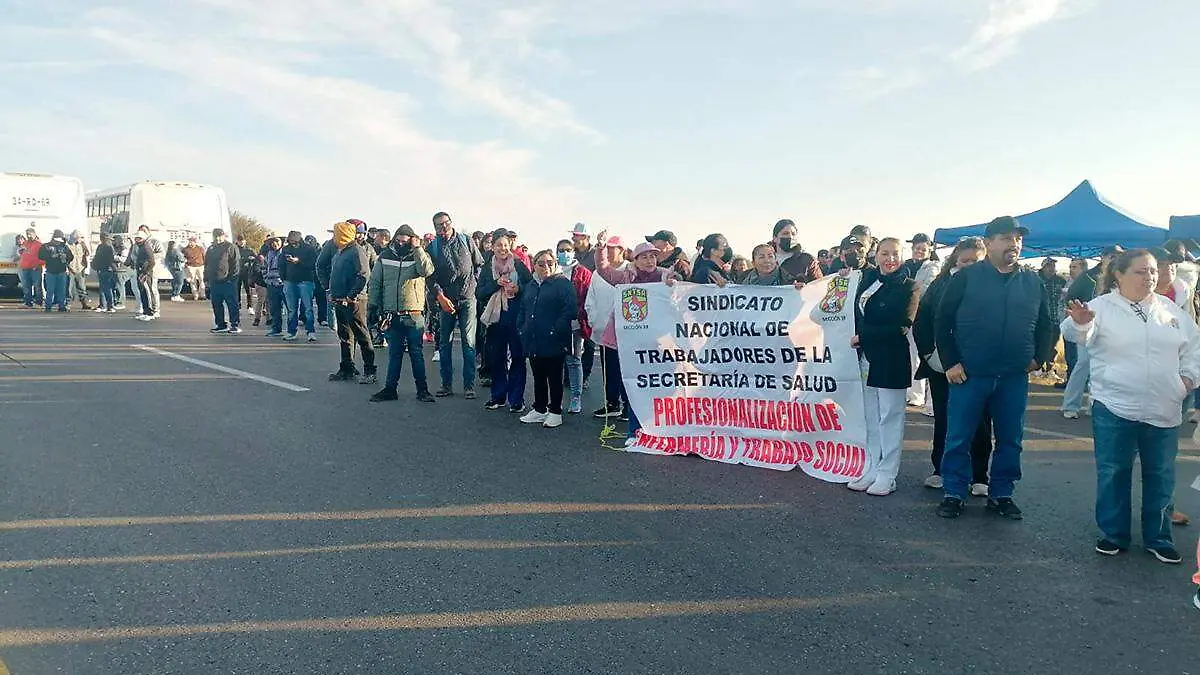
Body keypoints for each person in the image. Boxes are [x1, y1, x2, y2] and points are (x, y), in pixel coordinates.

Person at [1063, 249, 1200, 563]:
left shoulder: (1169, 310)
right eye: (1140, 271)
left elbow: (1194, 347)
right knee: (1114, 472)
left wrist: (1188, 379)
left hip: (1164, 407)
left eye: (1152, 271)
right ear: (1118, 275)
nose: (1150, 277)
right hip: (1114, 405)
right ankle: (1113, 534)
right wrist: (1080, 324)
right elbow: (1074, 334)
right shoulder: (1101, 307)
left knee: (1161, 474)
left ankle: (1159, 537)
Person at [934, 216, 1054, 519]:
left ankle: (1002, 493)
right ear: (988, 244)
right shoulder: (966, 277)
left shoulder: (1032, 280)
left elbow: (1045, 324)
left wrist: (1038, 358)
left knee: (1011, 438)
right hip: (970, 374)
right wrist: (951, 362)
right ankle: (954, 492)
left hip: (1013, 376)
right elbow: (942, 321)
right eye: (1005, 238)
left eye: (1017, 238)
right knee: (959, 436)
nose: (1013, 244)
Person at [913, 237, 994, 493]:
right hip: (943, 365)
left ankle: (979, 475)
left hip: (979, 365)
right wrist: (928, 353)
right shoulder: (940, 283)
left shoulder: (993, 284)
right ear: (955, 259)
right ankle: (941, 468)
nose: (969, 265)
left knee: (980, 420)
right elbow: (923, 319)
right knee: (945, 419)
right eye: (964, 260)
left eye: (975, 261)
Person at [847, 238, 918, 496]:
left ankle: (887, 473)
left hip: (891, 360)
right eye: (884, 253)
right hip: (866, 359)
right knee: (871, 418)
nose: (890, 259)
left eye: (895, 254)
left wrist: (863, 337)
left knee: (890, 417)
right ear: (875, 256)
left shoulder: (909, 286)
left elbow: (901, 325)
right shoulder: (866, 281)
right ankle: (872, 467)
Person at [595, 233, 680, 437]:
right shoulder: (626, 276)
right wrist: (600, 249)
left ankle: (658, 422)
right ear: (636, 260)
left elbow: (678, 293)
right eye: (644, 257)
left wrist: (674, 283)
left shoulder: (664, 276)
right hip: (628, 339)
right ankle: (633, 420)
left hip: (657, 340)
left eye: (652, 256)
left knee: (655, 380)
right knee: (630, 378)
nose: (649, 260)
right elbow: (603, 270)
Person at [368, 225, 436, 403]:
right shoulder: (385, 256)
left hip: (413, 313)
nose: (400, 243)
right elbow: (375, 282)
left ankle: (423, 390)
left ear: (412, 240)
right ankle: (390, 389)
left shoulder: (419, 255)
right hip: (392, 314)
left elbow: (427, 271)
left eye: (405, 241)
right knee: (394, 353)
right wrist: (373, 307)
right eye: (398, 240)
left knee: (416, 353)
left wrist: (418, 248)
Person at [518, 249, 579, 428]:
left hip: (554, 339)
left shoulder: (562, 284)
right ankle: (540, 408)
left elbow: (570, 310)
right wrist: (521, 327)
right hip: (533, 339)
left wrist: (556, 329)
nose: (546, 267)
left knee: (554, 377)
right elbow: (524, 307)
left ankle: (555, 411)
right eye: (541, 263)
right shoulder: (531, 285)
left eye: (550, 263)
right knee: (538, 375)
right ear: (534, 265)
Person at [1061, 246, 1123, 416]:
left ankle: (1095, 404)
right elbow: (1071, 296)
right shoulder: (1088, 276)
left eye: (1118, 255)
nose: (1115, 258)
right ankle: (1071, 405)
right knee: (1083, 364)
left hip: (1112, 330)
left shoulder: (1123, 274)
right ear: (1103, 257)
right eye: (1112, 256)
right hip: (1088, 325)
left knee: (1105, 368)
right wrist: (1080, 313)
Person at [428, 211, 484, 398]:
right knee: (445, 343)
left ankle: (469, 386)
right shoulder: (433, 247)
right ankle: (446, 385)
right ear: (434, 228)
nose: (443, 227)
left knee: (469, 344)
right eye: (438, 225)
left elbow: (479, 265)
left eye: (445, 223)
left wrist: (473, 285)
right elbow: (430, 277)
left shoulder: (466, 240)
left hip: (468, 299)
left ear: (451, 222)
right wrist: (440, 297)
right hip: (446, 301)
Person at [478, 228, 533, 413]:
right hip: (496, 317)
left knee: (518, 356)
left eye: (505, 245)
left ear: (510, 246)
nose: (502, 248)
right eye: (498, 245)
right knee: (497, 358)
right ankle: (498, 395)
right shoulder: (488, 267)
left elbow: (531, 285)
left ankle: (516, 399)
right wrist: (496, 284)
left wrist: (518, 289)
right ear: (492, 247)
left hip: (516, 316)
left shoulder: (518, 265)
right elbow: (479, 293)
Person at [328, 221, 376, 383]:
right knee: (344, 336)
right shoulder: (340, 252)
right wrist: (332, 293)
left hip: (354, 301)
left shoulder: (356, 250)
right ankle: (347, 367)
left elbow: (363, 274)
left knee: (361, 334)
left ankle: (370, 370)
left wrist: (352, 295)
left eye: (336, 234)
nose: (334, 237)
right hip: (339, 300)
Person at [556, 239, 594, 414]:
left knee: (573, 361)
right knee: (553, 362)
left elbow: (588, 298)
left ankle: (576, 397)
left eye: (568, 250)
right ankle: (554, 401)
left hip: (574, 324)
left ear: (573, 252)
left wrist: (583, 319)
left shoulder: (583, 273)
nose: (564, 253)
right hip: (551, 323)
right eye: (561, 250)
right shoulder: (551, 270)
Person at [279, 231, 319, 342]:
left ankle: (310, 331)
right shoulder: (286, 249)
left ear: (298, 238)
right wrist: (284, 278)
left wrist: (299, 261)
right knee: (291, 309)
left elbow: (314, 264)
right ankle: (291, 331)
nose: (291, 242)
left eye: (292, 239)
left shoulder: (309, 249)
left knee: (308, 308)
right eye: (289, 240)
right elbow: (281, 263)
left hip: (305, 281)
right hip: (289, 281)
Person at [203, 228, 242, 334]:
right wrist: (206, 280)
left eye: (220, 235)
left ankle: (234, 325)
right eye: (215, 236)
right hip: (214, 281)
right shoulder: (211, 248)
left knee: (232, 303)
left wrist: (232, 279)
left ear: (224, 236)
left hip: (228, 281)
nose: (218, 238)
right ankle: (220, 325)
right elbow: (206, 265)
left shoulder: (230, 247)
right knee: (216, 304)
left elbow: (236, 264)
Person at [1038, 258, 1068, 379]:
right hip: (1039, 319)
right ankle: (1038, 368)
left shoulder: (1060, 280)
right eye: (1049, 266)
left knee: (1053, 344)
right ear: (1043, 267)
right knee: (1040, 343)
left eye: (1053, 266)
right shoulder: (1036, 279)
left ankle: (1050, 368)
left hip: (1055, 319)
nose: (1052, 268)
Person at [772, 219, 823, 283]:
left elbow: (819, 285)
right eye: (785, 233)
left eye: (793, 234)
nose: (790, 237)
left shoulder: (808, 260)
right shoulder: (764, 259)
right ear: (775, 238)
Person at [37, 230, 73, 312]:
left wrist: (66, 256)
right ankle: (48, 306)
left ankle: (62, 306)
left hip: (62, 271)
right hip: (51, 271)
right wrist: (51, 256)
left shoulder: (64, 246)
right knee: (50, 290)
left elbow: (71, 256)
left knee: (62, 290)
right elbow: (40, 255)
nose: (58, 242)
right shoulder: (46, 246)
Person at [131, 226, 162, 321]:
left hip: (147, 273)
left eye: (138, 238)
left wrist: (145, 272)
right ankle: (146, 311)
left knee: (149, 291)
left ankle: (151, 312)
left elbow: (152, 261)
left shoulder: (146, 246)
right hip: (141, 271)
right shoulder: (140, 246)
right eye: (136, 238)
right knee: (143, 292)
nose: (136, 240)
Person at [261, 237, 286, 337]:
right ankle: (276, 329)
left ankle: (291, 330)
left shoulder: (284, 253)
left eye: (277, 242)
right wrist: (266, 278)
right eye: (273, 243)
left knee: (290, 308)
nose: (275, 244)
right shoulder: (269, 254)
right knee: (274, 308)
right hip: (271, 284)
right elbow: (263, 267)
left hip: (283, 284)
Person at [91, 233, 118, 314]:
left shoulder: (107, 247)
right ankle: (103, 305)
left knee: (106, 288)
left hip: (106, 269)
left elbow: (110, 259)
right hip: (103, 269)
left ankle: (109, 306)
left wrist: (95, 265)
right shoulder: (105, 247)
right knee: (103, 288)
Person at [17, 229, 43, 307]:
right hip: (25, 267)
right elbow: (21, 253)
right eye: (27, 234)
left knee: (37, 286)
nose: (28, 236)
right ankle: (28, 302)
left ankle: (39, 302)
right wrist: (20, 252)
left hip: (35, 268)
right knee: (26, 286)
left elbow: (42, 256)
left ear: (34, 234)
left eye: (30, 234)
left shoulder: (39, 244)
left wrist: (38, 264)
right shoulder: (25, 243)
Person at [66, 230, 92, 310]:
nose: (78, 239)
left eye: (79, 237)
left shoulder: (82, 244)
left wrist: (84, 245)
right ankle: (68, 303)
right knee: (69, 287)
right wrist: (67, 268)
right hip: (71, 268)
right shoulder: (68, 245)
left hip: (80, 268)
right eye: (77, 237)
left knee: (82, 287)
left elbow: (88, 253)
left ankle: (84, 303)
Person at [112, 233, 136, 312]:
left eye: (114, 240)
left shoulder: (124, 249)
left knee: (120, 286)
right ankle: (116, 301)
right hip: (117, 270)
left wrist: (114, 257)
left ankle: (121, 303)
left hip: (123, 270)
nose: (113, 242)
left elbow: (124, 259)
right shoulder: (115, 248)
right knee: (117, 286)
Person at [182, 236, 206, 301]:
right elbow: (182, 258)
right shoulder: (185, 249)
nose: (190, 243)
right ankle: (195, 295)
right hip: (191, 266)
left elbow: (204, 256)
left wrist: (205, 264)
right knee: (193, 281)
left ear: (195, 242)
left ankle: (202, 294)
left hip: (200, 266)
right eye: (190, 241)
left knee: (201, 280)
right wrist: (185, 264)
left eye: (192, 242)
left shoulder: (200, 248)